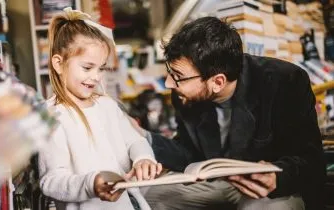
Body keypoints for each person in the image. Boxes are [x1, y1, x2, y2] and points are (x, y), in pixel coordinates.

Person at [131, 16, 325, 210]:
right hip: (219, 183)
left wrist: (277, 178)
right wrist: (143, 137)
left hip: (272, 189)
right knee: (145, 196)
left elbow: (312, 160)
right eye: (170, 72)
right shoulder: (185, 95)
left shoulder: (285, 81)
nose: (168, 84)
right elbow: (188, 151)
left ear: (217, 82)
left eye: (178, 77)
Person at [38, 8, 162, 210]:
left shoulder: (108, 105)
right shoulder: (52, 115)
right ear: (59, 64)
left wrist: (143, 159)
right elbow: (51, 181)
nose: (96, 77)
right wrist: (91, 183)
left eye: (101, 68)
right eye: (87, 68)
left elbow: (135, 141)